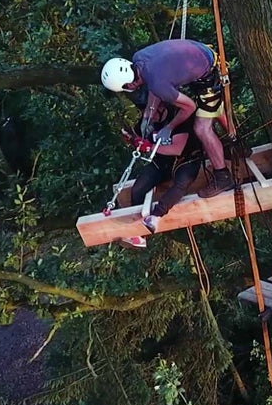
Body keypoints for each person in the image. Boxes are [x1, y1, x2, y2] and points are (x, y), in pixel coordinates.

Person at [100, 39, 233, 198]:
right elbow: (154, 88)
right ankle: (235, 142)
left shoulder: (158, 84)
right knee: (212, 108)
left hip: (209, 71)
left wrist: (168, 128)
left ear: (129, 84)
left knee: (202, 128)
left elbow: (189, 107)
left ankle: (222, 176)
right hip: (199, 55)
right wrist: (147, 117)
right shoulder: (139, 58)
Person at [121, 98, 203, 249]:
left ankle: (157, 215)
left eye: (152, 111)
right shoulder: (147, 122)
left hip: (185, 159)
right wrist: (133, 139)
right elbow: (140, 140)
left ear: (162, 107)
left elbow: (176, 148)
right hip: (162, 162)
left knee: (181, 184)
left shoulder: (178, 117)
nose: (149, 115)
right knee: (139, 187)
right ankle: (139, 235)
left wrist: (149, 147)